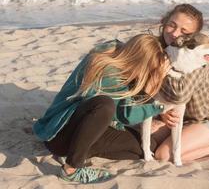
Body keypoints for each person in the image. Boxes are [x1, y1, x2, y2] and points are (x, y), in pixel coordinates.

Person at [32, 34, 170, 184]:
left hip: (87, 127)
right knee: (104, 105)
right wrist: (159, 105)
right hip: (60, 133)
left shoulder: (116, 54)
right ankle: (71, 169)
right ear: (138, 61)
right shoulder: (109, 70)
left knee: (143, 148)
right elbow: (127, 116)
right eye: (148, 70)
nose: (149, 74)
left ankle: (78, 151)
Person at [151, 4, 209, 163]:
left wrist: (159, 71)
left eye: (184, 32)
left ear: (192, 38)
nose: (176, 34)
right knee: (147, 138)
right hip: (184, 119)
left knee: (162, 155)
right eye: (172, 25)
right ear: (164, 22)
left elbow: (179, 95)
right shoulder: (158, 47)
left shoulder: (197, 57)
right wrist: (162, 112)